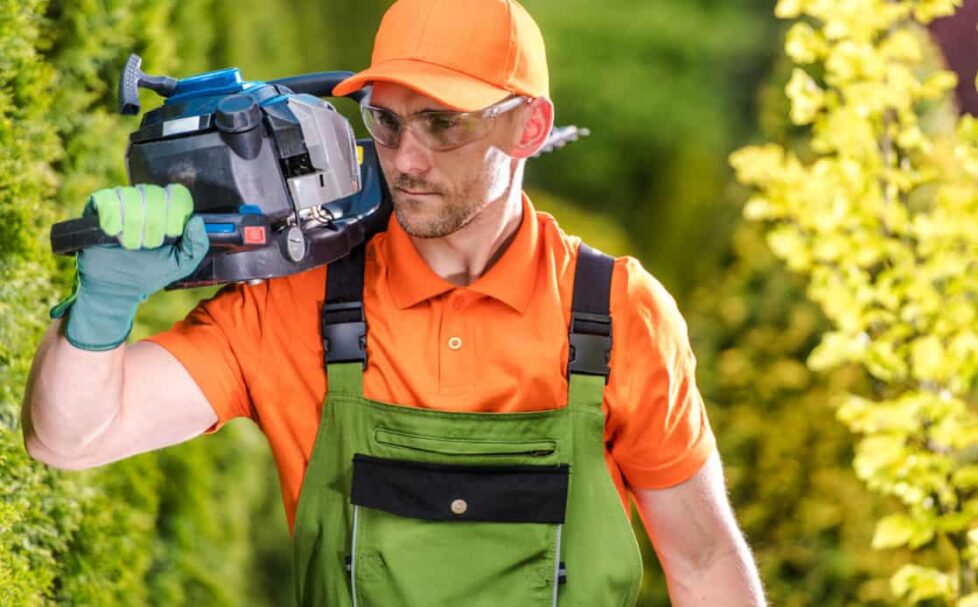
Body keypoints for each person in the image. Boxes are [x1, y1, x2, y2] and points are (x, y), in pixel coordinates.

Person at [23, 0, 766, 605]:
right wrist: (100, 309)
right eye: (387, 121)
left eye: (444, 124)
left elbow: (704, 566)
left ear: (529, 127)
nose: (406, 160)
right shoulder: (295, 303)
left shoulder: (616, 314)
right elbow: (70, 438)